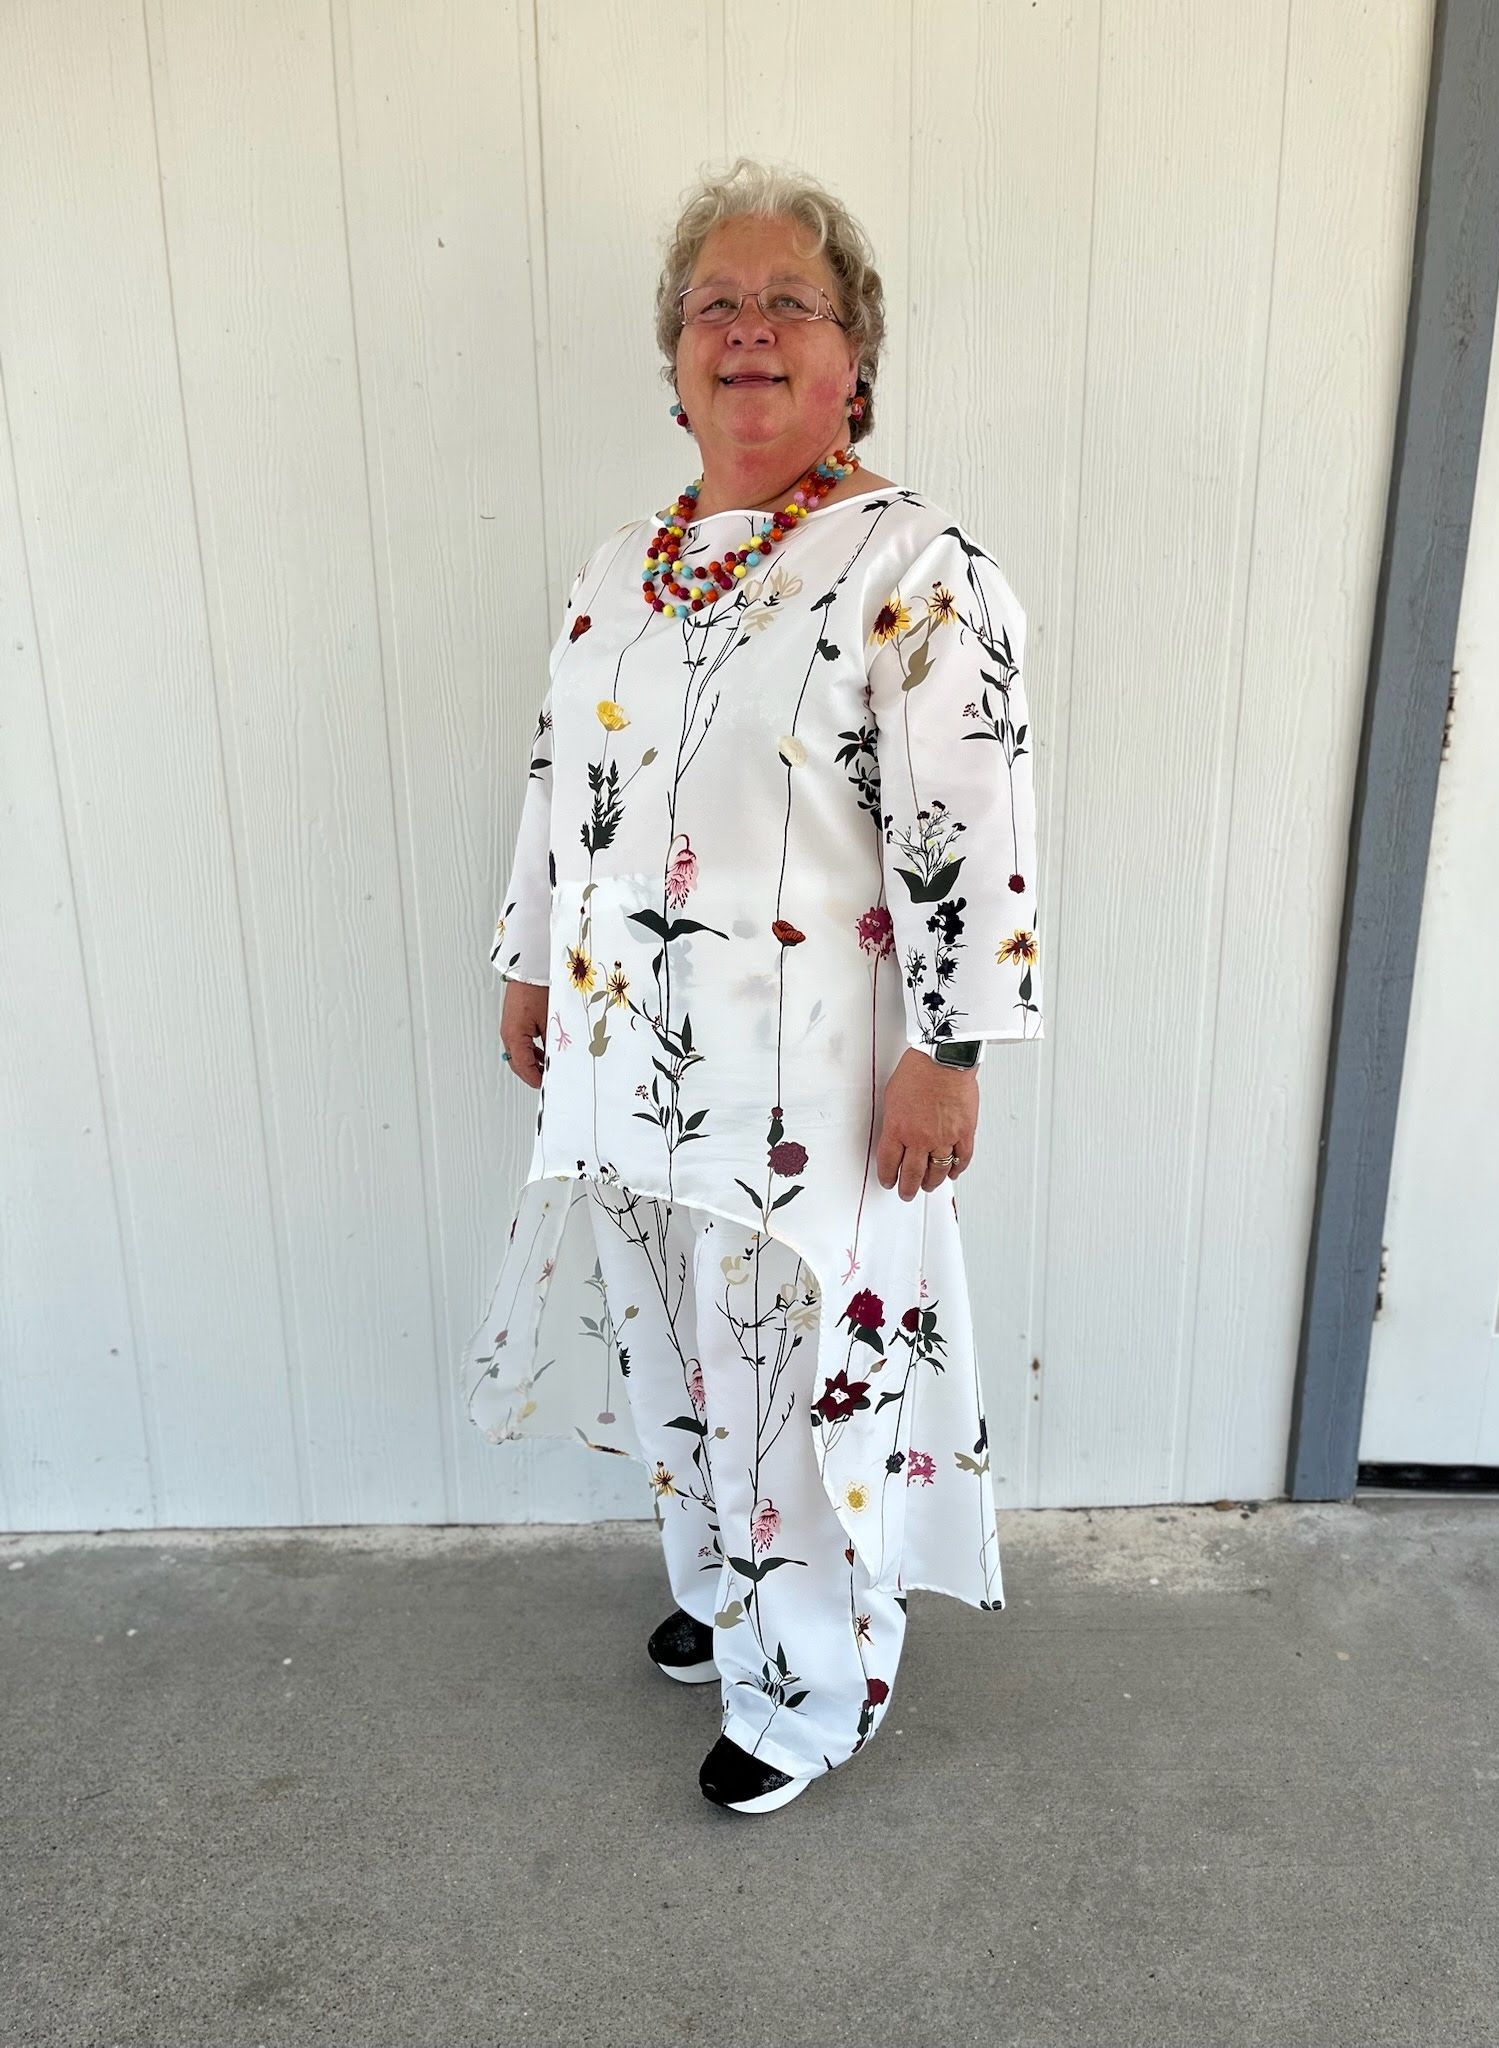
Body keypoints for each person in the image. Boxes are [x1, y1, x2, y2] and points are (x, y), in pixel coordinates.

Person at [461, 157, 1043, 1816]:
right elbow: (553, 784)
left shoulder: (916, 568)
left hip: (815, 1083)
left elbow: (970, 820)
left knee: (796, 1373)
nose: (750, 332)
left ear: (856, 354)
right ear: (673, 358)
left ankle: (816, 1685)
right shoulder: (618, 569)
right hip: (631, 1054)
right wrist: (528, 968)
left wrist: (955, 1049)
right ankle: (728, 1592)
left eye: (793, 302)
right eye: (716, 303)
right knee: (670, 1346)